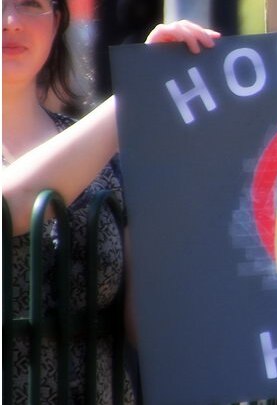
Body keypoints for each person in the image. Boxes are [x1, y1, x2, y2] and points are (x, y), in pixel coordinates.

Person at [2, 0, 219, 401]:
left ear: (56, 21)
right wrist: (139, 93)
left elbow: (157, 326)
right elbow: (11, 206)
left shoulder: (111, 160)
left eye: (30, 3)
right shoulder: (108, 134)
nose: (10, 22)